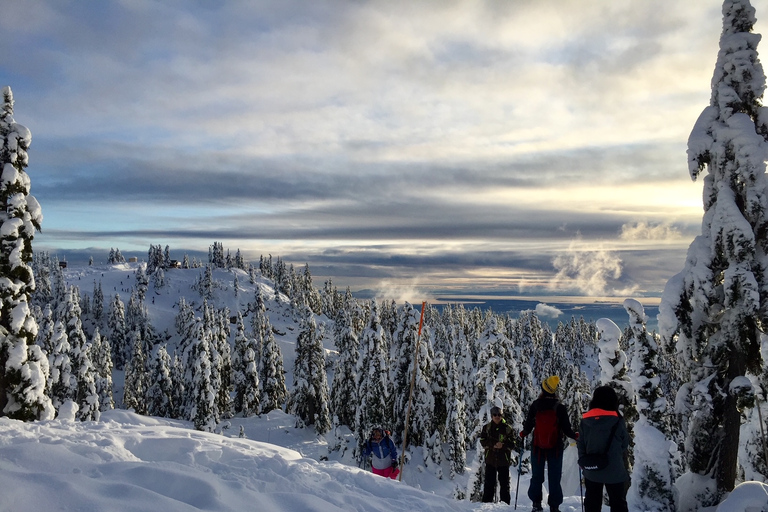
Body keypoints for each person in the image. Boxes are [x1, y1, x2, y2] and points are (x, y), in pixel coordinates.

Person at [520, 376, 579, 512]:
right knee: (554, 477)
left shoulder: (535, 405)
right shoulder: (560, 408)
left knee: (537, 476)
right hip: (555, 448)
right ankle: (554, 506)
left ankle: (536, 504)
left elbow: (529, 425)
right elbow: (566, 429)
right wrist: (574, 435)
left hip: (537, 446)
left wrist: (523, 433)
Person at [577, 385, 630, 512]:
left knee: (592, 504)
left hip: (592, 469)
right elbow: (624, 443)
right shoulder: (617, 420)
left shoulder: (585, 421)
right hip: (615, 470)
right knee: (618, 504)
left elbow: (581, 444)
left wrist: (584, 461)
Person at [479, 405, 516, 504]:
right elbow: (482, 441)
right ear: (491, 416)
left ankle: (505, 505)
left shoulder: (508, 429)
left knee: (504, 485)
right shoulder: (486, 428)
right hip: (490, 460)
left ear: (502, 415)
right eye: (495, 414)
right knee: (488, 484)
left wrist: (503, 445)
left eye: (499, 414)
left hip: (503, 461)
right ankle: (486, 505)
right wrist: (493, 445)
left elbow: (513, 443)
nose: (497, 416)